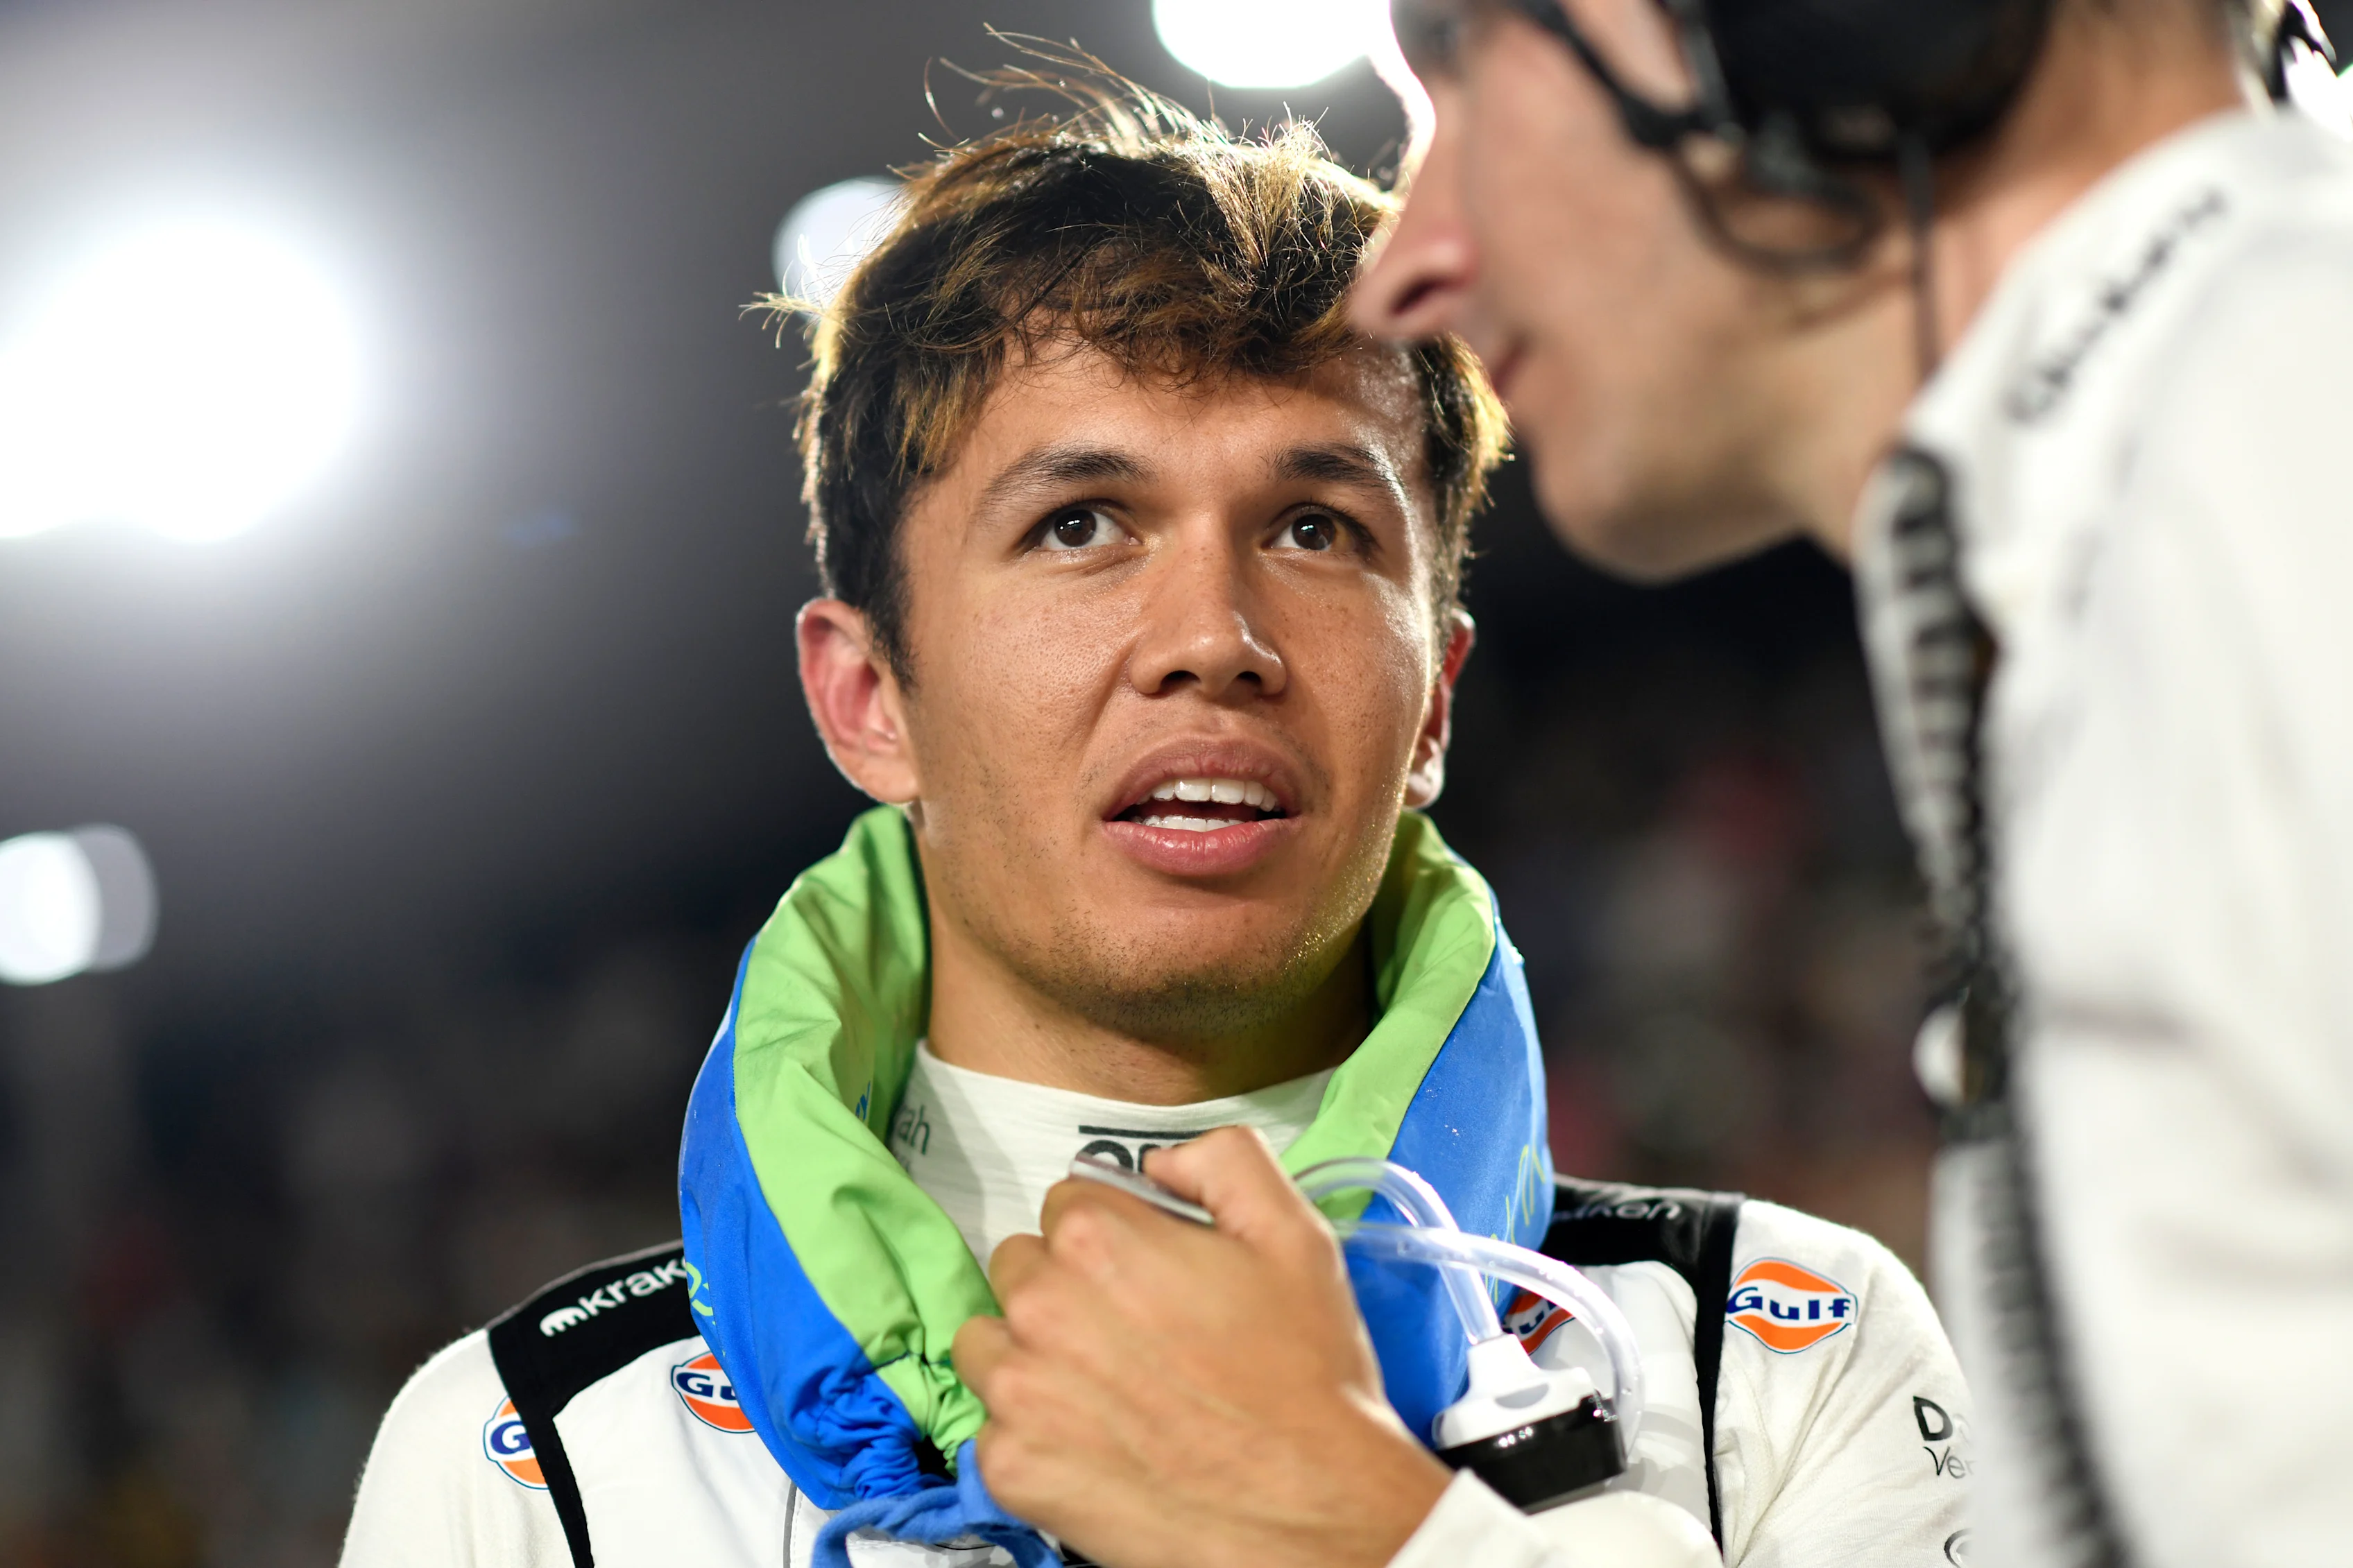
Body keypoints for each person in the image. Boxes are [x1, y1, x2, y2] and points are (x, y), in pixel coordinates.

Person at [337, 92, 1972, 1568]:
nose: (1214, 635)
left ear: (1433, 702)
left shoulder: (1779, 1358)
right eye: (1080, 524)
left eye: (1315, 526)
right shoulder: (533, 1460)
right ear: (868, 697)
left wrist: (1372, 1529)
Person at [964, 3, 2353, 1568]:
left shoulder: (2287, 415)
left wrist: (1354, 1531)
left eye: (1462, 74)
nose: (1410, 271)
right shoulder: (2183, 486)